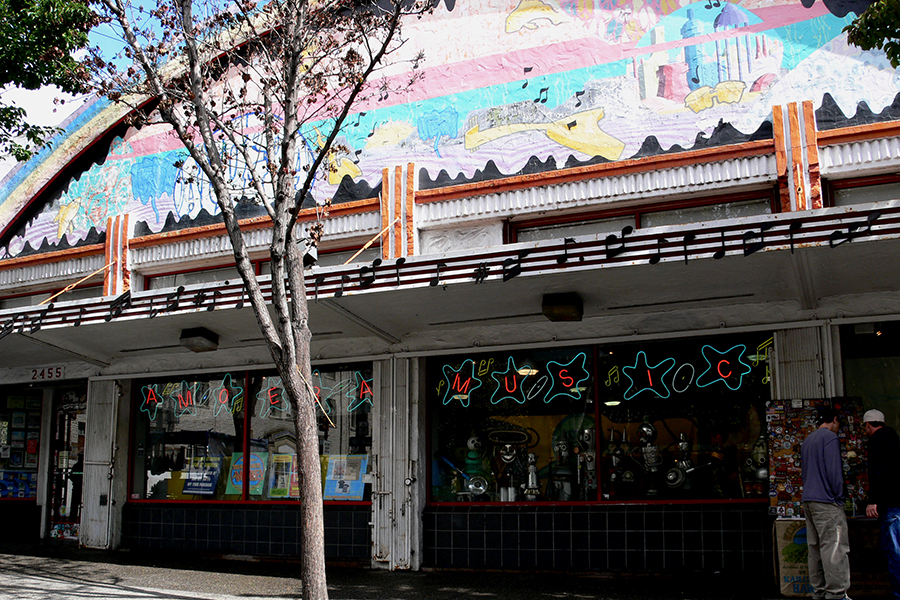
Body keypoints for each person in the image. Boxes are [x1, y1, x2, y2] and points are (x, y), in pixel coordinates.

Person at [801, 407, 851, 600]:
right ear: (835, 420)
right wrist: (839, 498)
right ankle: (836, 593)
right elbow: (835, 472)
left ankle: (819, 590)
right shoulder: (830, 438)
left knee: (814, 547)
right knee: (834, 547)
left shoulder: (808, 440)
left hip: (809, 499)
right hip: (827, 501)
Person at [863, 408, 900, 600]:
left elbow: (878, 473)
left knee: (895, 552)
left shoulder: (876, 442)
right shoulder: (895, 439)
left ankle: (898, 593)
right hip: (897, 502)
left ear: (868, 425)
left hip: (891, 504)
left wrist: (873, 500)